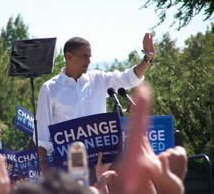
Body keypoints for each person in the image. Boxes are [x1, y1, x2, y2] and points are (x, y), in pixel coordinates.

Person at [34, 34, 155, 172]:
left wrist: (147, 59)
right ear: (68, 56)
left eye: (90, 56)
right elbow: (42, 135)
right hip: (68, 165)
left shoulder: (98, 79)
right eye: (84, 56)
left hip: (101, 162)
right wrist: (44, 170)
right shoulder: (50, 88)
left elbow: (129, 78)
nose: (88, 61)